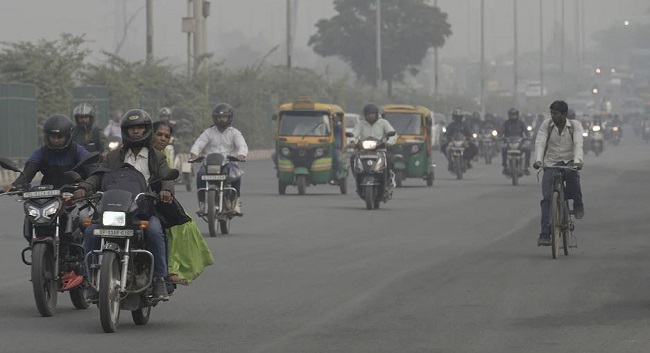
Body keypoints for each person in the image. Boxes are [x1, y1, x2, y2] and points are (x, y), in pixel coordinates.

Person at [74, 109, 174, 300]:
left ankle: (160, 278)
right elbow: (98, 175)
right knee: (89, 232)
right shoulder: (113, 156)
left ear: (146, 130)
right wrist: (85, 187)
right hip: (114, 208)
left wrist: (166, 190)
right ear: (125, 131)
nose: (136, 132)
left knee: (154, 230)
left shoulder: (156, 157)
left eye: (140, 128)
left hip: (143, 209)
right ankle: (89, 280)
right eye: (132, 128)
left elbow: (166, 176)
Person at [3, 115, 89, 245]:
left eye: (59, 137)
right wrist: (16, 185)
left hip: (75, 195)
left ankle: (86, 259)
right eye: (52, 137)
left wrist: (86, 185)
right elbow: (28, 172)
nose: (55, 140)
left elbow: (92, 168)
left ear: (68, 136)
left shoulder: (78, 151)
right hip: (48, 196)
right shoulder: (41, 152)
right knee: (30, 219)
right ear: (47, 137)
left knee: (85, 223)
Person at [151, 121, 214, 286]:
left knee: (181, 225)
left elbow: (168, 176)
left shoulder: (163, 154)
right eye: (159, 135)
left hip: (155, 196)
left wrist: (167, 191)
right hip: (129, 198)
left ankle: (170, 271)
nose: (163, 139)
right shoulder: (124, 152)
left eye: (166, 136)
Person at [533, 100, 585, 246]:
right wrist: (538, 160)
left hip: (569, 160)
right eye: (551, 113)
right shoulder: (546, 125)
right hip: (551, 162)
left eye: (555, 113)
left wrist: (578, 161)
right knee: (547, 199)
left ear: (564, 114)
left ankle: (578, 204)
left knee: (572, 176)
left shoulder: (575, 126)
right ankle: (545, 234)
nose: (553, 116)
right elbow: (540, 142)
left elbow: (578, 143)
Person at [190, 103, 248, 216]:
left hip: (228, 162)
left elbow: (242, 145)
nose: (221, 120)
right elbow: (198, 143)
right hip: (210, 163)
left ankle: (235, 202)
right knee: (200, 175)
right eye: (219, 117)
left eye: (224, 117)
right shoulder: (208, 132)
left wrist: (241, 154)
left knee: (236, 176)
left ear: (229, 118)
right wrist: (194, 153)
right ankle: (202, 203)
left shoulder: (234, 133)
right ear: (215, 118)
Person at [501, 108, 531, 175]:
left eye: (514, 115)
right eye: (512, 115)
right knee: (504, 149)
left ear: (517, 115)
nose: (513, 116)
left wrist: (528, 137)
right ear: (509, 115)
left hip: (519, 143)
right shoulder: (506, 123)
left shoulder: (521, 123)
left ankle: (526, 167)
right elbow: (502, 131)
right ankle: (505, 166)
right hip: (509, 143)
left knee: (528, 150)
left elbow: (526, 131)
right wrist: (500, 136)